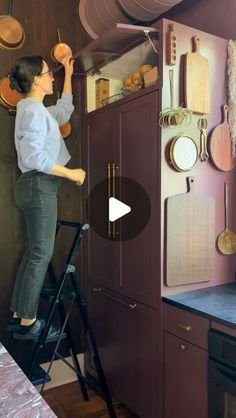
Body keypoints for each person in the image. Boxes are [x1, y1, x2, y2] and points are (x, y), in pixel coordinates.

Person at [7, 55, 86, 341]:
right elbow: (33, 157)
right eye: (48, 73)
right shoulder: (32, 111)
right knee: (41, 254)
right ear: (36, 80)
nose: (51, 77)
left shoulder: (37, 110)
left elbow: (64, 110)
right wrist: (70, 173)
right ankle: (28, 321)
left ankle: (18, 315)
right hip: (39, 185)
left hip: (35, 186)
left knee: (33, 253)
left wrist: (68, 71)